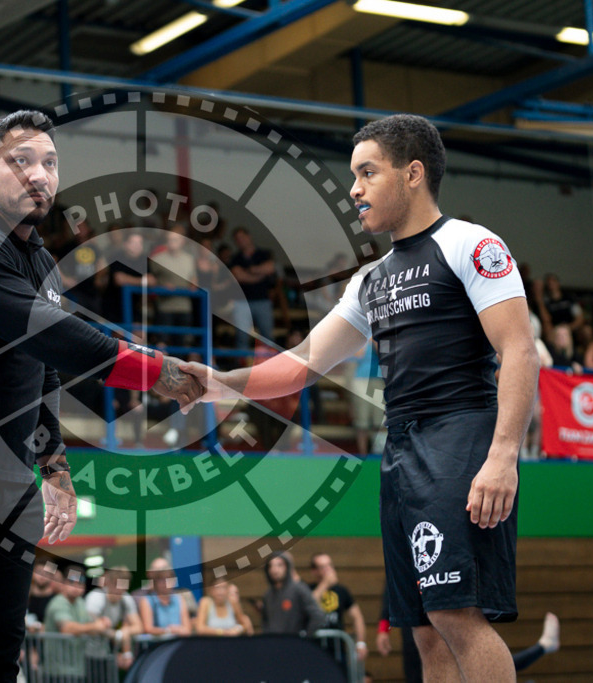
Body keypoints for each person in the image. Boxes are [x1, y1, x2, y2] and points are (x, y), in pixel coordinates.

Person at [181, 114, 540, 682]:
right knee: (424, 630)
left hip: (460, 439)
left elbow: (520, 352)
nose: (353, 189)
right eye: (353, 175)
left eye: (367, 173)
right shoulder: (370, 279)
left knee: (458, 615)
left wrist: (502, 456)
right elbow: (302, 363)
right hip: (400, 455)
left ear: (413, 173)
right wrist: (222, 384)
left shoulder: (470, 244)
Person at [0, 110, 201, 682]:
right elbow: (51, 336)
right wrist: (157, 372)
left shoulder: (41, 260)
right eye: (19, 161)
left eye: (49, 163)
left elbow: (42, 368)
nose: (38, 175)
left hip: (5, 480)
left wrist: (53, 465)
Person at [377, 583, 562, 680]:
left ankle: (542, 646)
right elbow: (393, 586)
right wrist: (383, 628)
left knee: (470, 665)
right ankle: (543, 646)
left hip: (448, 609)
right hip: (416, 622)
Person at [307, 553, 368, 662]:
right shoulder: (308, 589)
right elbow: (309, 605)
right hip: (312, 647)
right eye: (322, 567)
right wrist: (325, 584)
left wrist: (360, 643)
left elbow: (357, 617)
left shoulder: (341, 591)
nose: (328, 570)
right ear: (314, 571)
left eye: (329, 565)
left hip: (337, 649)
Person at [85, 566, 143, 667]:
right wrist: (116, 635)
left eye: (123, 586)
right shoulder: (96, 597)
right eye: (116, 585)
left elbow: (138, 627)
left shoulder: (126, 599)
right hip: (89, 653)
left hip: (108, 653)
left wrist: (125, 631)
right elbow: (91, 626)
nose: (119, 590)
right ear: (108, 583)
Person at [229, 227, 276, 349]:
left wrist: (250, 270)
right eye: (237, 239)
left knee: (267, 335)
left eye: (242, 237)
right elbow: (239, 276)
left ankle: (270, 365)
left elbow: (270, 268)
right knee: (242, 336)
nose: (241, 241)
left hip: (262, 300)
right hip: (242, 302)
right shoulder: (235, 258)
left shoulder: (263, 254)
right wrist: (259, 273)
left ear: (249, 237)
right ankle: (242, 364)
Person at [261, 552, 325, 636]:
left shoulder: (299, 589)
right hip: (273, 642)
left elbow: (317, 615)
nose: (275, 570)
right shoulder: (268, 594)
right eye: (270, 566)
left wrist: (306, 637)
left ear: (287, 567)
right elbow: (265, 620)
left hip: (294, 642)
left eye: (279, 565)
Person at [137, 558, 192, 637]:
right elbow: (148, 629)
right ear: (155, 582)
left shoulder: (180, 599)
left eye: (168, 579)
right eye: (161, 580)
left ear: (174, 580)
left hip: (179, 643)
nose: (165, 583)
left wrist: (178, 630)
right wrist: (168, 631)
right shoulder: (147, 600)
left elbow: (187, 629)